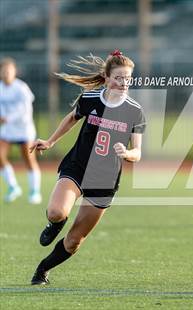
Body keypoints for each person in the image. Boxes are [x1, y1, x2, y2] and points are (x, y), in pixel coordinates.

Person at [30, 50, 146, 285]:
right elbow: (72, 118)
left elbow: (138, 152)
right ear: (106, 77)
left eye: (128, 79)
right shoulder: (91, 98)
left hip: (105, 178)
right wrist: (50, 141)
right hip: (78, 166)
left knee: (74, 241)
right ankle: (56, 224)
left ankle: (43, 269)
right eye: (119, 78)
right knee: (56, 212)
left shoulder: (135, 111)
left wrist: (128, 154)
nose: (124, 83)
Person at [0, 57, 42, 204]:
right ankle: (13, 187)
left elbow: (25, 109)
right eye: (3, 71)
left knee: (29, 159)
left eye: (9, 71)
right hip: (7, 130)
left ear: (14, 72)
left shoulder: (21, 88)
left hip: (24, 129)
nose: (6, 73)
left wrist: (8, 118)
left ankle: (35, 192)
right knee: (0, 156)